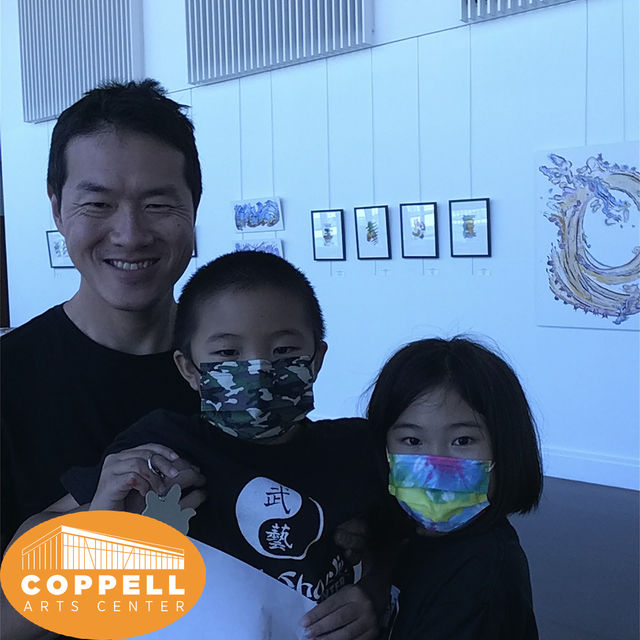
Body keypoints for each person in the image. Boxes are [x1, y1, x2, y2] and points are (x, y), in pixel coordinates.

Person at [64, 250, 384, 639]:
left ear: (316, 359)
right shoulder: (161, 447)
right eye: (228, 353)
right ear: (189, 369)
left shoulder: (355, 449)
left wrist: (372, 596)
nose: (258, 370)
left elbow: (404, 553)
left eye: (284, 351)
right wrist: (102, 521)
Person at [0, 79, 203, 556]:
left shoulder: (234, 367)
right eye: (97, 204)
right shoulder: (9, 379)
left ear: (194, 205)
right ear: (57, 209)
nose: (130, 235)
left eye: (157, 204)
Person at [367, 337, 543, 640]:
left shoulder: (481, 577)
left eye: (462, 441)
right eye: (412, 441)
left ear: (505, 445)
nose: (436, 465)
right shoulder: (410, 535)